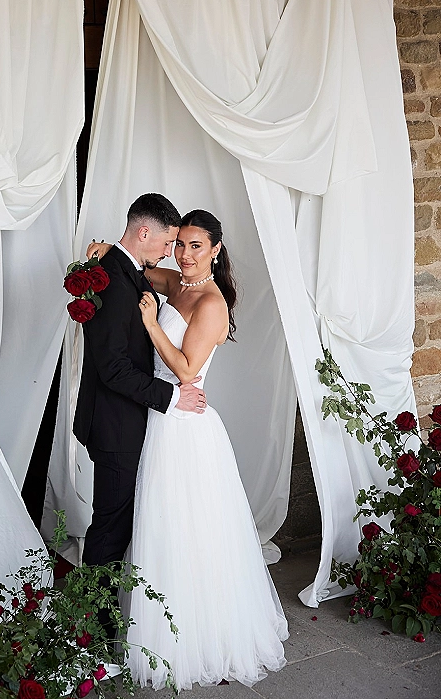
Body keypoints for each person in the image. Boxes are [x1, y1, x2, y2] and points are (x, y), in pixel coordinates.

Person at [93, 209, 288, 689]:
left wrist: (150, 324)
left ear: (215, 250)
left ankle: (194, 636)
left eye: (195, 246)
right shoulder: (174, 280)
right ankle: (148, 627)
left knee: (188, 529)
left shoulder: (212, 304)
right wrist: (102, 255)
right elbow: (136, 267)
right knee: (158, 526)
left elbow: (184, 369)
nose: (184, 254)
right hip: (157, 419)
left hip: (184, 421)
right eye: (179, 244)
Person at [74, 194, 207, 576]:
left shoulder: (125, 269)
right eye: (168, 243)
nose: (170, 253)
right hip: (115, 423)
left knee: (123, 522)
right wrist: (172, 397)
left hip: (128, 419)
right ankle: (92, 628)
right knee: (110, 527)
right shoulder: (114, 281)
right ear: (144, 232)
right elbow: (114, 368)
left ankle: (103, 612)